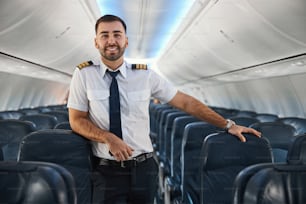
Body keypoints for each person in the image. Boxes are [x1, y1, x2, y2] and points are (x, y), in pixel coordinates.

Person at [67, 14, 261, 204]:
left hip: (144, 169)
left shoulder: (145, 75)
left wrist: (228, 125)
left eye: (117, 34)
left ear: (126, 41)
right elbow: (76, 120)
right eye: (105, 35)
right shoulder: (84, 74)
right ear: (96, 42)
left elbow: (185, 102)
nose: (111, 40)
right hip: (106, 171)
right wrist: (107, 137)